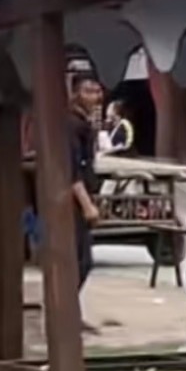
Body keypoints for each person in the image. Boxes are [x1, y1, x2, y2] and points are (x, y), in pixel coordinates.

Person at [68, 72, 102, 289]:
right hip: (72, 202)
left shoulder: (84, 123)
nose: (94, 97)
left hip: (83, 196)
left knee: (83, 261)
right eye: (88, 91)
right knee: (80, 261)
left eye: (97, 92)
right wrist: (87, 205)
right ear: (75, 93)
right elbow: (72, 169)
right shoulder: (72, 124)